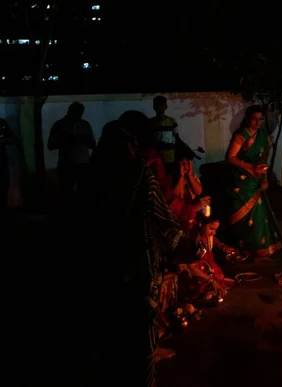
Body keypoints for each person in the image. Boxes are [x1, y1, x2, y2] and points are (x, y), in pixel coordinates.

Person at [83, 120, 183, 387]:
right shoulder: (141, 175)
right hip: (138, 263)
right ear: (132, 146)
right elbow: (165, 221)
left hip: (100, 264)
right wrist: (185, 245)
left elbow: (77, 221)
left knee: (109, 327)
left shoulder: (89, 177)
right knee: (141, 331)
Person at [223, 105, 282, 259]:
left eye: (260, 119)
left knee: (258, 215)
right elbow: (230, 157)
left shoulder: (263, 135)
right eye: (254, 119)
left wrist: (264, 179)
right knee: (242, 216)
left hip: (256, 179)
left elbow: (263, 160)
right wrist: (248, 167)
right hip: (241, 181)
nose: (258, 122)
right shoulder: (241, 135)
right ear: (247, 119)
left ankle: (259, 249)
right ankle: (242, 249)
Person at [177, 212, 237, 301]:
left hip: (206, 267)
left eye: (215, 230)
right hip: (191, 271)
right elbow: (191, 267)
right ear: (201, 223)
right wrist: (212, 281)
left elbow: (212, 238)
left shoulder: (206, 235)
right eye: (211, 228)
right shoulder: (192, 239)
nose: (213, 232)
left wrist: (223, 247)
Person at [47, 102, 96, 207]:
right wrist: (67, 140)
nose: (78, 115)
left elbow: (92, 144)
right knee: (67, 193)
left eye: (79, 113)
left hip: (80, 164)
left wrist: (81, 140)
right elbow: (51, 145)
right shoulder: (60, 125)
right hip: (69, 164)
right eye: (76, 112)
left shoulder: (84, 125)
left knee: (81, 193)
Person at [148, 95, 182, 177]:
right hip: (155, 158)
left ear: (165, 106)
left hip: (169, 158)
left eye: (161, 105)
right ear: (153, 107)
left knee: (169, 179)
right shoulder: (150, 123)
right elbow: (148, 141)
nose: (158, 108)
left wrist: (174, 147)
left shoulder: (171, 121)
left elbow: (177, 138)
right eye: (156, 105)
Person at [0, 119, 18, 217]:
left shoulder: (2, 123)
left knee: (3, 188)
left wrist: (3, 140)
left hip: (2, 163)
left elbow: (14, 139)